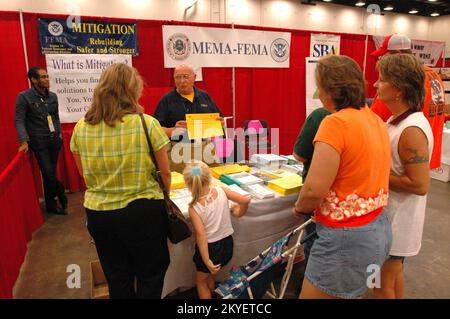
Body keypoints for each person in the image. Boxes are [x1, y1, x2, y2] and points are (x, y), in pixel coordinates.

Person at [293, 55, 392, 299]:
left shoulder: (335, 123)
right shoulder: (375, 120)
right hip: (377, 227)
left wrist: (300, 208)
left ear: (329, 89)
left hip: (345, 236)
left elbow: (314, 190)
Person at [70, 63, 171, 299]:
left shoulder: (80, 128)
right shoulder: (147, 124)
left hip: (99, 214)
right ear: (132, 90)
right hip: (143, 212)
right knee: (150, 274)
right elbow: (165, 174)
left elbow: (84, 175)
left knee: (117, 277)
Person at [373, 54, 433, 299]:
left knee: (380, 283)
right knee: (393, 277)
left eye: (381, 80)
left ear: (398, 89)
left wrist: (374, 174)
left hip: (398, 222)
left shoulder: (411, 130)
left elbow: (419, 184)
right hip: (392, 220)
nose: (376, 85)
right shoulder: (398, 121)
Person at [370, 34, 445, 170]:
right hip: (428, 151)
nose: (381, 60)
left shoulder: (397, 83)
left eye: (383, 56)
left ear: (397, 54)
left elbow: (373, 121)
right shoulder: (433, 75)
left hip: (404, 156)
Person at [183, 161, 250, 299]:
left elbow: (201, 236)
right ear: (209, 178)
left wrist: (206, 260)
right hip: (227, 245)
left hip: (210, 249)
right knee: (210, 275)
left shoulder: (194, 208)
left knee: (200, 281)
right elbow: (244, 200)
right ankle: (212, 292)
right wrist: (238, 212)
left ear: (188, 184)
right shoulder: (221, 190)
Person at [14, 67, 67, 215]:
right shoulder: (23, 97)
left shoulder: (53, 97)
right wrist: (24, 140)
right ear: (33, 80)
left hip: (54, 140)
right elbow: (19, 120)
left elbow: (55, 116)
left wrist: (60, 134)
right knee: (48, 172)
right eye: (43, 77)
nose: (46, 79)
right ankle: (61, 192)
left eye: (47, 76)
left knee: (49, 173)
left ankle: (51, 204)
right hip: (38, 141)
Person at [292, 107, 330, 262]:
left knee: (316, 247)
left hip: (324, 204)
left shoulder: (322, 117)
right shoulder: (368, 118)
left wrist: (300, 207)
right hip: (357, 209)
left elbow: (300, 155)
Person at [154, 64, 223, 139]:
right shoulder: (166, 100)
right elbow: (156, 130)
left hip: (206, 145)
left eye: (185, 76)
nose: (182, 81)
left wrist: (221, 123)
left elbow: (220, 119)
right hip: (178, 147)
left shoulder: (204, 96)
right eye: (178, 77)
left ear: (194, 77)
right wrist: (173, 130)